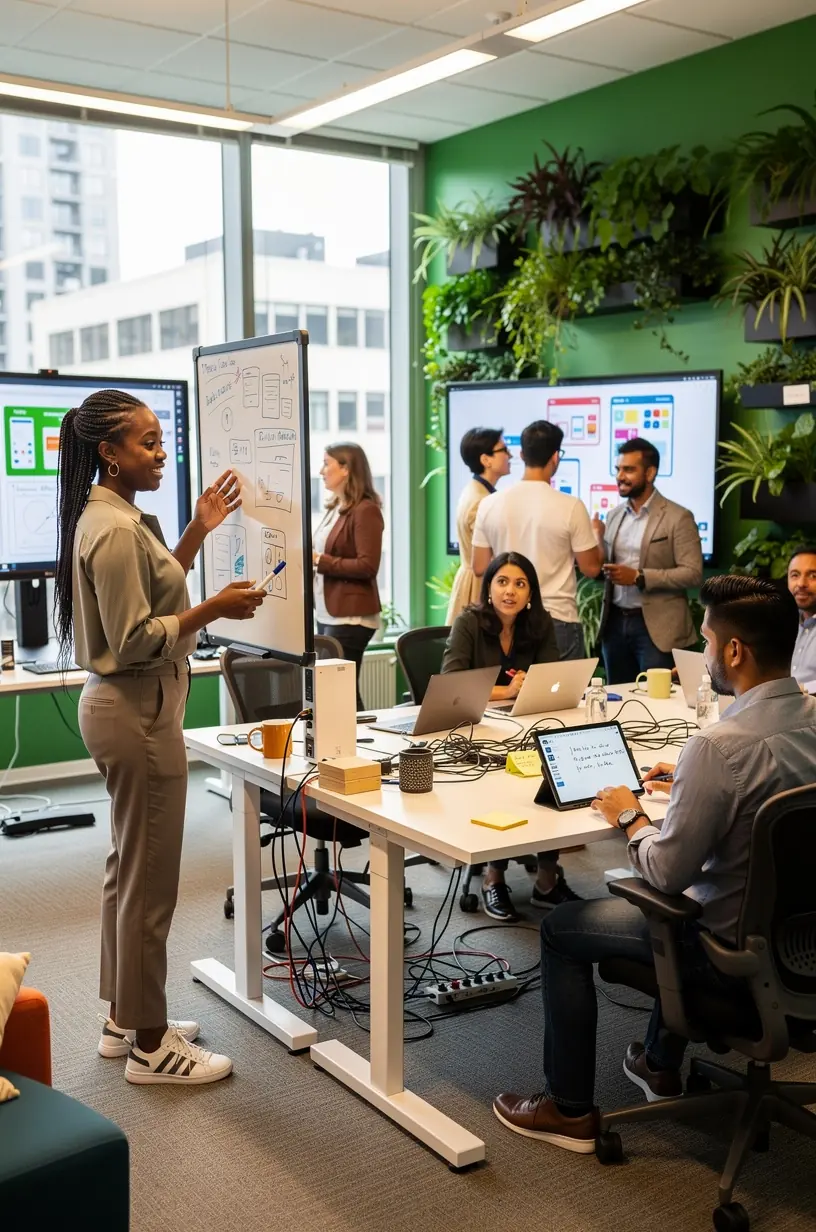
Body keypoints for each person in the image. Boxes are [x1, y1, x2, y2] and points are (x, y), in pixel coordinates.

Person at [492, 575, 816, 1153]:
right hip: (804, 944)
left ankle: (568, 1109)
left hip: (730, 956)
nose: (705, 651)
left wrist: (629, 817)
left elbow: (666, 874)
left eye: (709, 641)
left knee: (563, 929)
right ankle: (659, 1063)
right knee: (700, 888)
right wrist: (691, 787)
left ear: (735, 651)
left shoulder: (720, 748)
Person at [55, 390, 267, 1086]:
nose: (161, 452)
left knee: (130, 871)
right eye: (147, 443)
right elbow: (138, 637)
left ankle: (125, 1017)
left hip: (133, 708)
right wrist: (216, 606)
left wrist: (198, 531)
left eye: (159, 439)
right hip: (137, 711)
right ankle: (152, 1046)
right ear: (109, 453)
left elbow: (149, 594)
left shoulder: (114, 515)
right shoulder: (113, 529)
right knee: (150, 885)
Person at [442, 552, 579, 922]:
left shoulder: (540, 623)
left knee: (557, 766)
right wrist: (507, 690)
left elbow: (551, 679)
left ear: (530, 592)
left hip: (525, 723)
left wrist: (529, 689)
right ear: (489, 588)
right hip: (475, 729)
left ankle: (548, 881)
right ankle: (493, 878)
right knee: (498, 781)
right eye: (502, 582)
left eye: (520, 584)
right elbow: (452, 686)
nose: (510, 591)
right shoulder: (468, 623)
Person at [472, 420, 602, 660]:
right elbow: (592, 568)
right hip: (558, 620)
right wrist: (597, 535)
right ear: (555, 457)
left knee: (513, 696)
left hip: (508, 621)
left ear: (521, 454)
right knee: (562, 698)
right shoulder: (571, 506)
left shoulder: (489, 504)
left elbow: (480, 566)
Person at [594, 437, 703, 685]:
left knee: (659, 703)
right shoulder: (613, 516)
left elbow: (693, 573)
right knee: (617, 701)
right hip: (615, 623)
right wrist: (597, 540)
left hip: (657, 628)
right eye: (618, 469)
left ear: (650, 473)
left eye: (629, 469)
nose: (620, 476)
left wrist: (640, 577)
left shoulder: (678, 517)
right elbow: (605, 569)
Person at [313, 442, 384, 712]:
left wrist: (320, 560)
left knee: (342, 694)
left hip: (351, 617)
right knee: (336, 694)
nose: (321, 471)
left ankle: (362, 748)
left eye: (326, 464)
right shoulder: (336, 508)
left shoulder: (366, 510)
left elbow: (368, 566)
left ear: (345, 468)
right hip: (329, 613)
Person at [446, 427, 512, 624]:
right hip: (478, 586)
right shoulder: (480, 499)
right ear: (486, 460)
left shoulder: (478, 492)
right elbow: (485, 559)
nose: (510, 455)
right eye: (504, 450)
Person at [788, 544, 816, 693]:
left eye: (813, 576)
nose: (801, 584)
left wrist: (799, 690)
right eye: (795, 575)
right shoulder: (783, 624)